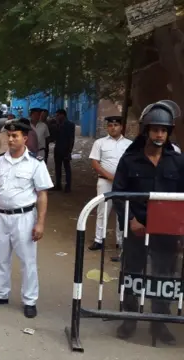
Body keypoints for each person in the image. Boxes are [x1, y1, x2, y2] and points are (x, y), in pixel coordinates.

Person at [112, 100, 184, 344]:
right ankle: (129, 319)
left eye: (164, 130)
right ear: (146, 131)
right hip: (137, 229)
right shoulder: (130, 160)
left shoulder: (177, 162)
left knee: (164, 278)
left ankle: (159, 324)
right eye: (155, 129)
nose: (160, 134)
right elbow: (118, 194)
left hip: (167, 232)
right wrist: (130, 220)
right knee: (132, 273)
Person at [0, 119, 53, 319]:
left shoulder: (35, 164)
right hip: (1, 216)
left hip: (24, 217)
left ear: (25, 139)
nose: (10, 139)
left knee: (27, 260)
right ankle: (0, 293)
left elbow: (42, 195)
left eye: (15, 136)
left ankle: (30, 300)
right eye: (8, 136)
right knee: (0, 258)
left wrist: (40, 223)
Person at [87, 116, 132, 256]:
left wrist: (121, 178)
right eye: (111, 125)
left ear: (121, 127)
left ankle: (121, 241)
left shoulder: (130, 144)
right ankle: (98, 240)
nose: (113, 127)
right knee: (102, 210)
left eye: (116, 125)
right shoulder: (100, 143)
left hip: (123, 184)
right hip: (104, 181)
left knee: (122, 212)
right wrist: (110, 177)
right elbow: (95, 163)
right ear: (107, 127)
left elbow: (132, 163)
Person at [52, 109, 75, 192]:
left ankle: (68, 186)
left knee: (67, 168)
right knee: (57, 168)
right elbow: (54, 137)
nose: (56, 117)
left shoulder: (70, 124)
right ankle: (58, 185)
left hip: (65, 149)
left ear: (63, 115)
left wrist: (69, 151)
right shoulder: (57, 124)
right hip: (57, 149)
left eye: (58, 115)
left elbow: (71, 139)